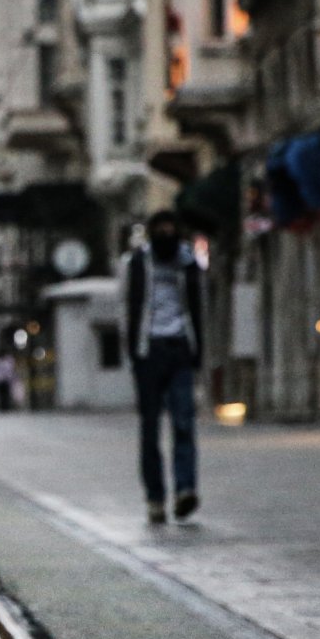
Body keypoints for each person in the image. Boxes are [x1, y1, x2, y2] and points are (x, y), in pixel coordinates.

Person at [126, 209, 204, 525]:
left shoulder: (188, 263)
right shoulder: (137, 263)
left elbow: (200, 307)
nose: (165, 233)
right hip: (149, 352)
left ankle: (185, 490)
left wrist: (198, 349)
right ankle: (155, 498)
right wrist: (133, 351)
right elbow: (126, 306)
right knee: (149, 431)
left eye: (170, 228)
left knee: (184, 423)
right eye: (160, 228)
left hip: (180, 350)